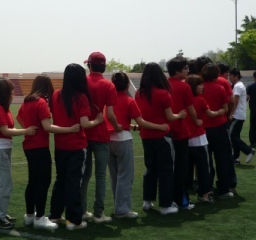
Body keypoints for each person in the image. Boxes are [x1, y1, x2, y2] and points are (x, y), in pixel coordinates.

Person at [17, 74, 80, 230]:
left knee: (33, 181)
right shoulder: (41, 102)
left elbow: (19, 118)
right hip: (40, 146)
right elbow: (48, 126)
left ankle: (30, 215)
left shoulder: (27, 101)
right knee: (43, 182)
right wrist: (70, 129)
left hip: (29, 146)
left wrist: (29, 128)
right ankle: (40, 217)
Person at [49, 63, 104, 230]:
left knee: (60, 180)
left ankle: (55, 215)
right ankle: (73, 220)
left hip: (60, 145)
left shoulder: (56, 94)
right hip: (76, 145)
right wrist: (98, 120)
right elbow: (85, 124)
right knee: (74, 183)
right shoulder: (81, 97)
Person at [108, 72, 168, 218]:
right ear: (127, 85)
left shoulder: (109, 101)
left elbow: (116, 119)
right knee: (125, 176)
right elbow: (141, 122)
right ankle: (122, 209)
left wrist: (133, 127)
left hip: (108, 139)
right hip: (123, 139)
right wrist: (160, 126)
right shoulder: (129, 100)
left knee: (114, 175)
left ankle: (118, 206)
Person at [0, 77, 37, 230]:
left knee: (2, 184)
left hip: (2, 148)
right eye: (11, 89)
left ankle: (1, 214)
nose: (13, 92)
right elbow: (5, 131)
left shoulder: (2, 107)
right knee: (4, 184)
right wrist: (26, 131)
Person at [135, 63, 186, 215]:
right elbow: (170, 117)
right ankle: (165, 204)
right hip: (162, 136)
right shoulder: (163, 93)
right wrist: (180, 115)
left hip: (146, 136)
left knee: (150, 169)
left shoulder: (139, 93)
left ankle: (147, 200)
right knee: (166, 170)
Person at [80, 51, 121, 224]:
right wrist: (117, 127)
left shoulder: (82, 82)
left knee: (84, 175)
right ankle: (99, 213)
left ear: (90, 65)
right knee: (101, 176)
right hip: (100, 134)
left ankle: (82, 210)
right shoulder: (108, 85)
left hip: (83, 133)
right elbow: (110, 114)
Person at [185, 75, 226, 203]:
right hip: (199, 138)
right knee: (204, 168)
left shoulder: (184, 100)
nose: (203, 87)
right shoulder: (200, 100)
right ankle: (205, 194)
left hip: (185, 137)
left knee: (186, 168)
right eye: (200, 85)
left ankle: (184, 196)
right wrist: (220, 112)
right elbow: (210, 114)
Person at [166, 56, 198, 210]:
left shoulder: (163, 85)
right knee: (181, 168)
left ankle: (167, 199)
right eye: (185, 68)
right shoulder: (184, 87)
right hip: (179, 130)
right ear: (177, 70)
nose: (188, 70)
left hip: (164, 131)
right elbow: (191, 109)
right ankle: (181, 200)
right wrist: (197, 121)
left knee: (166, 168)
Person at [200, 63, 234, 199]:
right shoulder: (220, 88)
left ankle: (206, 189)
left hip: (203, 128)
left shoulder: (199, 88)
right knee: (222, 159)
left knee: (205, 162)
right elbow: (227, 106)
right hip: (219, 126)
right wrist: (226, 115)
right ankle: (224, 189)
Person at [228, 68, 255, 164]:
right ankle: (236, 158)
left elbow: (235, 102)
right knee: (235, 136)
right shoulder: (238, 85)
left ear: (236, 76)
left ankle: (248, 150)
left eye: (230, 75)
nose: (229, 78)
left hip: (237, 115)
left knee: (231, 136)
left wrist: (231, 113)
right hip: (240, 114)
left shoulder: (238, 86)